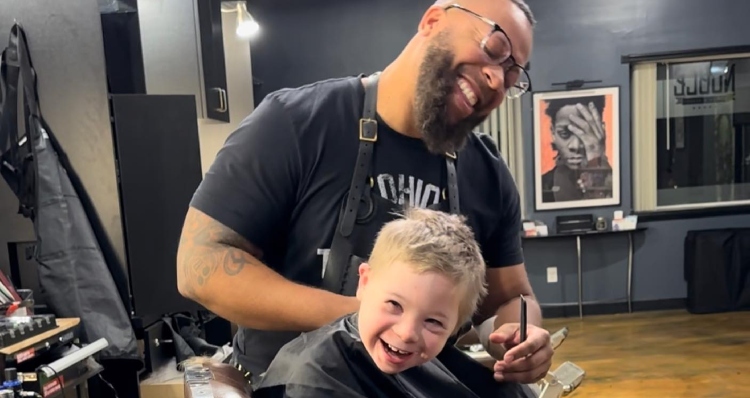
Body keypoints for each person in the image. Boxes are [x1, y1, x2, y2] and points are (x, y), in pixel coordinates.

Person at [176, 0, 553, 389]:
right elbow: (199, 267)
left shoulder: (487, 174)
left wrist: (522, 335)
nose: (497, 79)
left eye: (512, 76)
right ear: (433, 20)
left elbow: (511, 299)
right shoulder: (295, 125)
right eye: (494, 50)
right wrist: (372, 313)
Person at [252, 207, 534, 397]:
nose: (407, 332)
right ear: (364, 282)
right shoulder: (314, 380)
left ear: (455, 330)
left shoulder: (421, 356)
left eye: (434, 322)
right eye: (394, 305)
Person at [541, 95, 613, 203]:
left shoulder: (620, 184)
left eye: (586, 133)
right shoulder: (542, 186)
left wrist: (595, 157)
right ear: (553, 132)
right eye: (564, 134)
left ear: (601, 130)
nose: (575, 145)